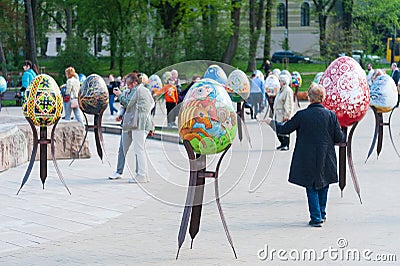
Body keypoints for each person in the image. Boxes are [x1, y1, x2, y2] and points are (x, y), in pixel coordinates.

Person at [263, 83, 344, 227]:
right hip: (326, 156)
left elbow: (284, 130)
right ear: (323, 98)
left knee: (311, 186)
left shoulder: (302, 115)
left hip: (307, 157)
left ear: (309, 98)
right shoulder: (331, 115)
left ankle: (316, 217)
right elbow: (339, 138)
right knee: (324, 184)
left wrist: (271, 122)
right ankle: (322, 213)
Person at [109, 72, 154, 183]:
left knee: (139, 149)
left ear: (134, 83)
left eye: (129, 84)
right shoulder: (142, 90)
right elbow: (151, 103)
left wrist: (119, 95)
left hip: (138, 122)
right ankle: (143, 175)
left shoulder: (137, 90)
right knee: (138, 149)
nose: (127, 86)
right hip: (137, 122)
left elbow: (128, 103)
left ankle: (141, 175)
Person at [272, 74, 294, 151]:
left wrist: (287, 115)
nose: (279, 82)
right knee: (278, 129)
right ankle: (282, 143)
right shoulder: (280, 90)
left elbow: (288, 103)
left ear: (284, 82)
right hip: (278, 113)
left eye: (280, 81)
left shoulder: (287, 91)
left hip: (283, 113)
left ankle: (286, 144)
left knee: (284, 130)